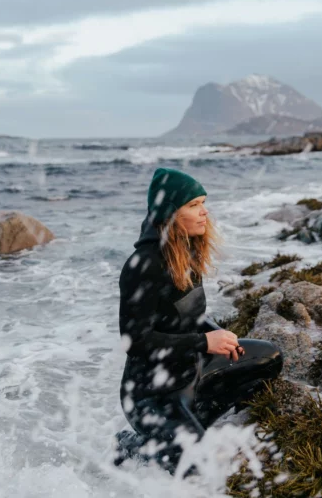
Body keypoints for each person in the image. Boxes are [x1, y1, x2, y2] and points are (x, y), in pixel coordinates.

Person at [116, 167, 283, 471]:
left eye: (203, 202)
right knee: (198, 466)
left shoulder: (187, 252)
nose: (204, 212)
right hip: (150, 393)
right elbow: (135, 342)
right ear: (170, 214)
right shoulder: (143, 266)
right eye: (193, 205)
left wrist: (220, 336)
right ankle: (134, 445)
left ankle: (193, 423)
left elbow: (191, 315)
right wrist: (205, 341)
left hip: (191, 373)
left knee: (269, 358)